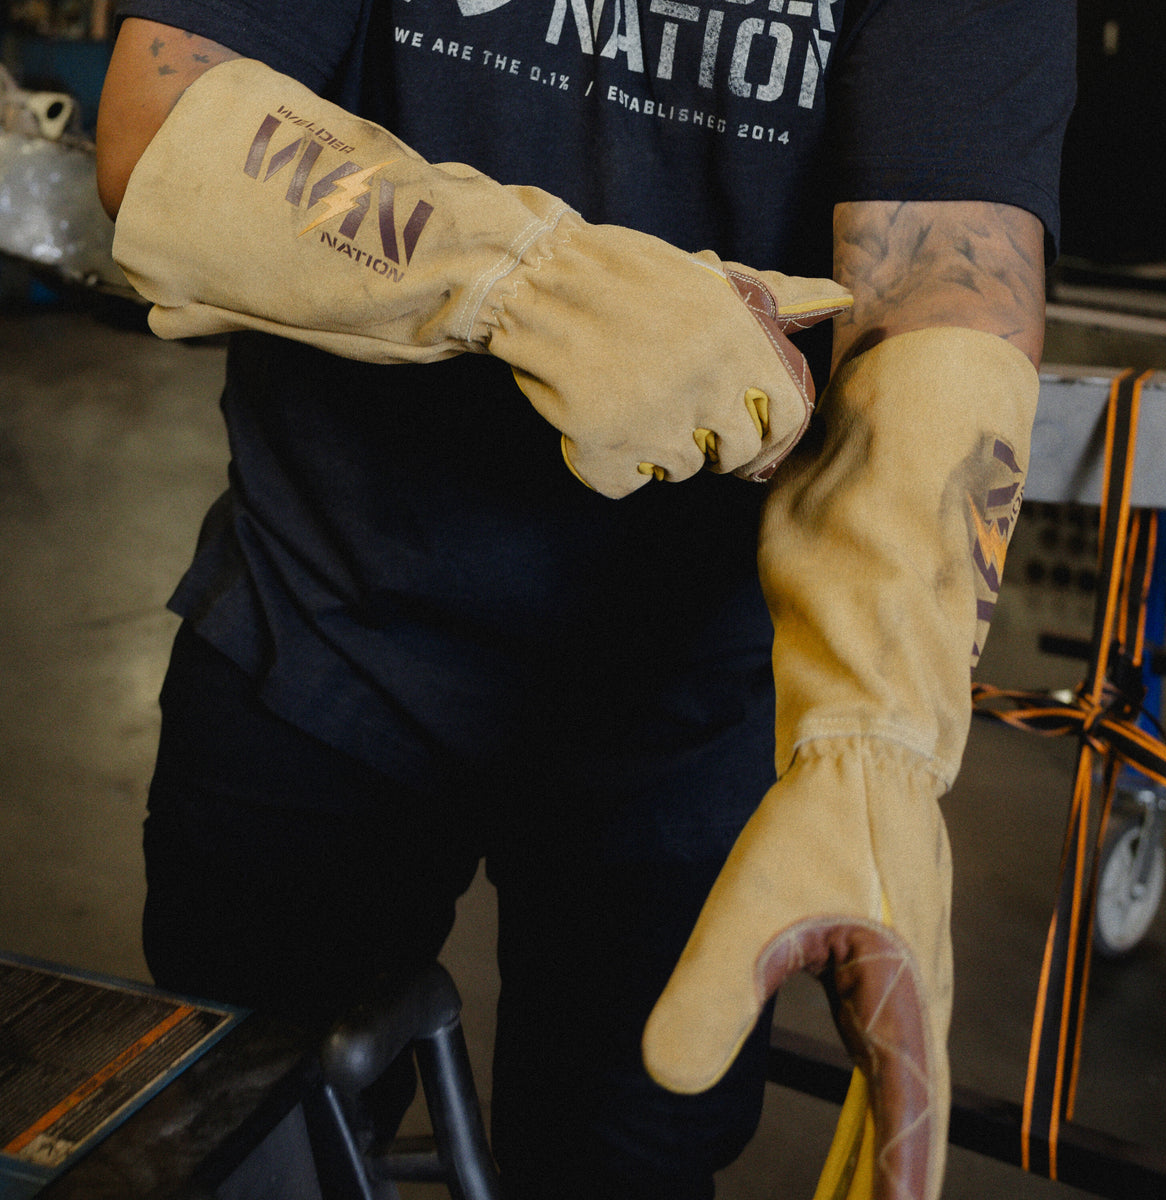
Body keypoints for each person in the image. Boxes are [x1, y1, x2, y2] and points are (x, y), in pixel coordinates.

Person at [95, 1, 1075, 1196]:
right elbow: (168, 128)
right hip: (322, 640)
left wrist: (877, 733)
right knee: (258, 1157)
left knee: (625, 1168)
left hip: (694, 706)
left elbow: (944, 286)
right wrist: (535, 282)